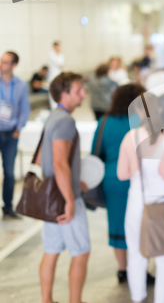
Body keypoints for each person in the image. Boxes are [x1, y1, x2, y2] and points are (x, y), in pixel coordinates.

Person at [117, 94, 164, 303]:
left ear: (138, 112)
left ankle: (138, 299)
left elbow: (122, 174)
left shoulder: (130, 138)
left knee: (136, 256)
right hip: (163, 205)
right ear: (160, 109)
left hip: (137, 203)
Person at [39, 72, 90, 303]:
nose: (83, 94)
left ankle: (46, 300)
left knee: (50, 252)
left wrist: (72, 179)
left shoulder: (52, 117)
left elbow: (43, 159)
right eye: (78, 90)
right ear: (64, 93)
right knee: (81, 253)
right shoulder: (66, 121)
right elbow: (59, 162)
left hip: (50, 196)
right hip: (64, 198)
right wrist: (70, 199)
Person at [91, 84, 146, 284]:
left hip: (112, 179)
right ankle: (140, 269)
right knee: (141, 224)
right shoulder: (142, 121)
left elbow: (96, 153)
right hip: (138, 178)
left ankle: (122, 270)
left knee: (117, 224)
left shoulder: (104, 121)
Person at [0, 51, 30, 220]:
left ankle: (8, 207)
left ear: (13, 65)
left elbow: (25, 109)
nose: (1, 64)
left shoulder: (20, 85)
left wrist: (19, 128)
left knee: (9, 173)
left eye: (5, 62)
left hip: (10, 134)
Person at [48, 42, 65, 109]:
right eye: (57, 46)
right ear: (54, 47)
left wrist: (59, 53)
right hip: (53, 76)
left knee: (59, 91)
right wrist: (59, 53)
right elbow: (60, 63)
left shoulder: (60, 54)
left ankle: (59, 106)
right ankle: (54, 108)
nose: (59, 48)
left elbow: (62, 63)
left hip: (58, 76)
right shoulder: (51, 54)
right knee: (53, 92)